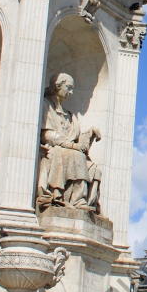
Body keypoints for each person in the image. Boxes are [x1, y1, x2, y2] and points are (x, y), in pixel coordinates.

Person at [37, 73, 102, 213]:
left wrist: (89, 134)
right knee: (75, 156)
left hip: (68, 150)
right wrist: (71, 146)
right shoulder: (45, 106)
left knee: (94, 168)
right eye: (69, 87)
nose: (71, 92)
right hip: (51, 149)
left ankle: (83, 201)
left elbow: (76, 139)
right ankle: (76, 200)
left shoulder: (69, 114)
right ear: (58, 86)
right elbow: (46, 134)